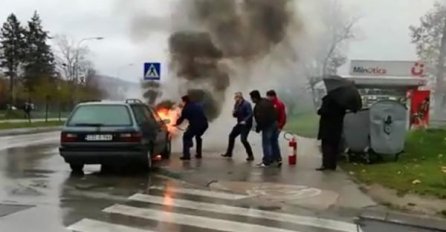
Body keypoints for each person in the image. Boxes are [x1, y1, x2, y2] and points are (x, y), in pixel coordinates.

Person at [221, 92, 254, 161]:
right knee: (231, 136)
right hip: (239, 124)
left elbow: (250, 114)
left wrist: (245, 120)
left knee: (243, 139)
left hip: (246, 125)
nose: (235, 98)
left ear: (240, 97)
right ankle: (229, 153)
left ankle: (250, 155)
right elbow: (236, 115)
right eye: (235, 97)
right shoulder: (236, 104)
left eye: (236, 97)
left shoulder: (246, 104)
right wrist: (234, 113)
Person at [175, 95, 209, 160]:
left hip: (196, 125)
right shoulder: (197, 104)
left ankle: (186, 155)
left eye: (182, 102)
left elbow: (181, 119)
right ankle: (199, 154)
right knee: (198, 136)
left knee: (186, 136)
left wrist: (176, 124)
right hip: (204, 124)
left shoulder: (186, 109)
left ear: (184, 101)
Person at [317, 94, 346, 171]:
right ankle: (333, 165)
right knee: (334, 146)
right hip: (337, 128)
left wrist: (319, 111)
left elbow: (323, 111)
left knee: (326, 146)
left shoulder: (328, 99)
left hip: (327, 127)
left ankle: (326, 164)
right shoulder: (342, 101)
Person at [249, 90, 278, 167]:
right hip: (274, 123)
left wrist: (258, 128)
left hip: (268, 126)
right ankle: (275, 159)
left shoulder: (259, 106)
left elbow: (262, 119)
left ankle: (266, 161)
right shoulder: (266, 101)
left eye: (251, 98)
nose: (251, 100)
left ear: (255, 98)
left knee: (266, 143)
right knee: (273, 143)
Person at [266, 90, 287, 166]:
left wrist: (280, 127)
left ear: (273, 96)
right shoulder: (268, 103)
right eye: (267, 96)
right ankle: (272, 157)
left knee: (274, 141)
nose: (267, 98)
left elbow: (283, 116)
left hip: (276, 126)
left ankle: (278, 158)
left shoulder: (279, 104)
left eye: (269, 96)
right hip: (270, 126)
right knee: (270, 141)